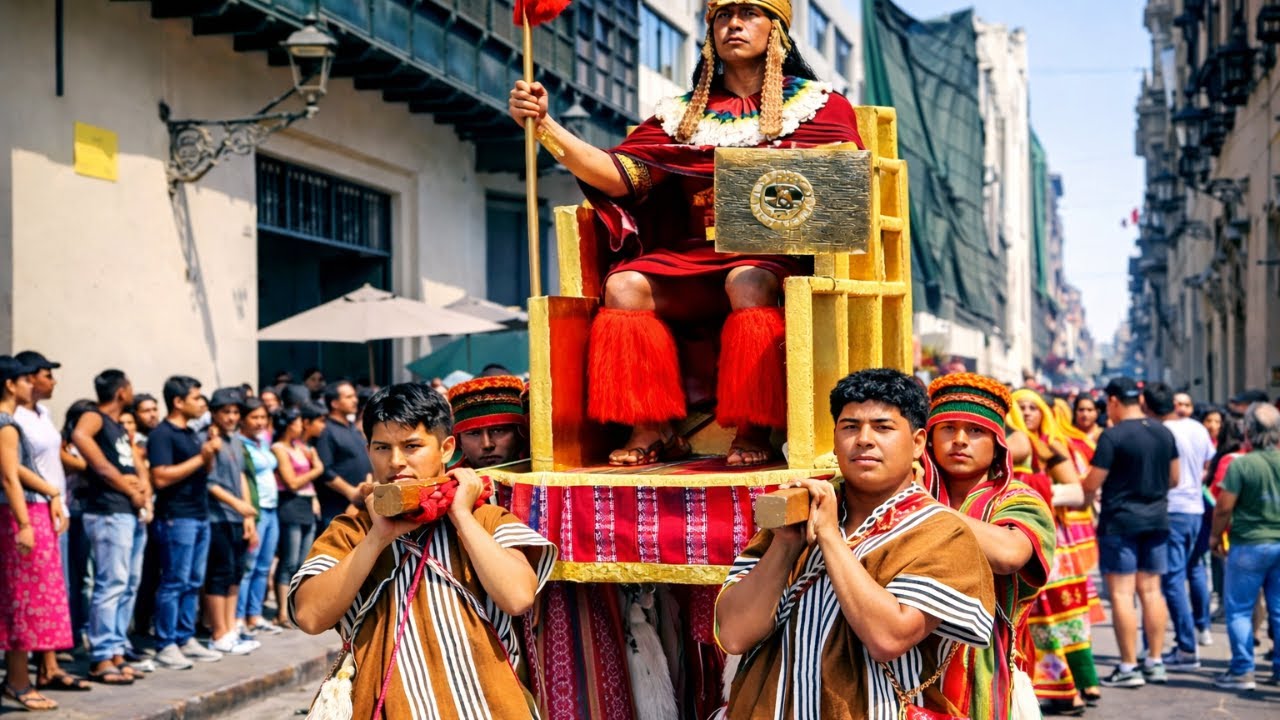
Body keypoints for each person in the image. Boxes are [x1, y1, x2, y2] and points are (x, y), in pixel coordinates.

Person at [508, 0, 864, 468]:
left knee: (747, 280)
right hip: (692, 256)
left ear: (777, 29)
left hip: (772, 257)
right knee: (624, 286)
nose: (733, 24)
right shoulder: (679, 115)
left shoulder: (821, 105)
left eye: (749, 13)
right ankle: (650, 425)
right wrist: (546, 127)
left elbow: (844, 189)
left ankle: (753, 425)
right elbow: (619, 176)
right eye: (723, 15)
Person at [715, 368, 995, 719]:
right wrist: (784, 546)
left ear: (918, 443)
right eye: (850, 427)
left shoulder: (942, 532)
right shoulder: (798, 512)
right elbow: (735, 635)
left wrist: (830, 537)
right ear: (834, 441)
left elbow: (888, 638)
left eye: (883, 427)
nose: (864, 439)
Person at [290, 383, 556, 717]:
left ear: (446, 449)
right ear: (368, 450)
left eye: (412, 446)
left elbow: (517, 597)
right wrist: (377, 538)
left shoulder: (484, 518)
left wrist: (461, 516)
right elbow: (310, 617)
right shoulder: (354, 529)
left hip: (487, 706)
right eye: (382, 448)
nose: (396, 462)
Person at [924, 373, 1055, 720]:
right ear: (928, 438)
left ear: (998, 442)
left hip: (983, 664)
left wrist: (922, 508)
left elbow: (1008, 555)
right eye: (948, 428)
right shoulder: (914, 489)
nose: (960, 440)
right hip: (905, 661)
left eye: (975, 430)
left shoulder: (1020, 500)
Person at [1007, 390, 1102, 710]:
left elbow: (1077, 492)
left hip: (1050, 540)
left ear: (1044, 412)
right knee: (1037, 615)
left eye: (1033, 407)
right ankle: (1064, 690)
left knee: (1059, 615)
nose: (1027, 412)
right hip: (1016, 535)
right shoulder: (1005, 443)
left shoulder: (1050, 445)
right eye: (1021, 407)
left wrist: (1032, 494)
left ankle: (1076, 686)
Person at [1083, 376, 1178, 688]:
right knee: (1152, 591)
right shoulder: (1164, 432)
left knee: (1123, 594)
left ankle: (1128, 666)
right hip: (1157, 519)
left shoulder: (1113, 436)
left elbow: (1092, 482)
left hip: (1120, 522)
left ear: (1113, 401)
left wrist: (1084, 493)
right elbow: (1174, 479)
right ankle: (1155, 661)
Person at [11, 351, 90, 692]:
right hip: (29, 507)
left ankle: (49, 665)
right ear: (25, 379)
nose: (52, 381)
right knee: (30, 592)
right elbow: (12, 469)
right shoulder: (12, 418)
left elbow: (52, 457)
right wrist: (47, 494)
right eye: (46, 375)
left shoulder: (43, 414)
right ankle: (25, 673)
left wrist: (76, 468)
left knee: (54, 591)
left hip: (53, 509)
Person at [0, 356, 73, 711]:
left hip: (28, 509)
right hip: (18, 515)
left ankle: (18, 680)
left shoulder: (9, 422)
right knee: (23, 600)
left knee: (23, 600)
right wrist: (26, 524)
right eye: (26, 380)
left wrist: (51, 491)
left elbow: (16, 468)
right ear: (10, 384)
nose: (32, 385)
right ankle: (17, 682)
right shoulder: (5, 424)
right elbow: (8, 477)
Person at [71, 369, 150, 684]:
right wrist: (121, 483)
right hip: (108, 511)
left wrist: (141, 490)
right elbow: (80, 437)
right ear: (121, 391)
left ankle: (117, 651)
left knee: (128, 583)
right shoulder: (95, 417)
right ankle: (101, 657)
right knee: (110, 584)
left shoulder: (118, 427)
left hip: (128, 511)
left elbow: (134, 462)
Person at [147, 375, 223, 669]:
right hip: (176, 517)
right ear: (178, 402)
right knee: (174, 581)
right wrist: (202, 456)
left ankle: (184, 636)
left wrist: (209, 451)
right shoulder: (162, 434)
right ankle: (165, 643)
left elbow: (205, 470)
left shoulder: (192, 433)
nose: (201, 403)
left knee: (193, 581)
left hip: (199, 514)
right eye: (196, 398)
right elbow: (160, 477)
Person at [1209, 402, 1280, 689]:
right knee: (1278, 609)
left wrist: (1215, 536)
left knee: (1239, 609)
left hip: (1249, 544)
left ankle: (1242, 670)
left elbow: (1224, 507)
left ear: (1248, 431)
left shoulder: (1242, 465)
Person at [1154, 383, 1215, 668]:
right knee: (1194, 569)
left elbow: (1169, 475)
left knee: (1173, 580)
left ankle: (1187, 647)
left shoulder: (1165, 431)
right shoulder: (1199, 429)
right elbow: (1207, 463)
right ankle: (1201, 628)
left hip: (1175, 508)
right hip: (1194, 509)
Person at [201, 389, 259, 656]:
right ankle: (218, 632)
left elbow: (243, 477)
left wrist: (247, 514)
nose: (232, 417)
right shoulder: (208, 439)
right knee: (219, 574)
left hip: (237, 517)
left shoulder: (235, 440)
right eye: (226, 412)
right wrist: (237, 505)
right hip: (217, 516)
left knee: (236, 573)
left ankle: (231, 628)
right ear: (214, 413)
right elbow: (209, 482)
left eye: (236, 412)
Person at [271, 405, 325, 631]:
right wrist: (316, 470)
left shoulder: (299, 447)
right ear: (287, 425)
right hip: (290, 505)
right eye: (296, 422)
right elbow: (292, 482)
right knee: (289, 561)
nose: (300, 426)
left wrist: (314, 498)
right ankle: (282, 612)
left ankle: (296, 608)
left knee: (303, 561)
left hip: (306, 504)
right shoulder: (279, 448)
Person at [314, 381, 372, 527]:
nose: (355, 400)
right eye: (349, 397)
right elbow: (325, 470)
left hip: (360, 505)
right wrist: (350, 492)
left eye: (355, 396)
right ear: (334, 403)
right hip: (337, 509)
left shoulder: (353, 428)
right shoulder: (327, 431)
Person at [446, 376, 529, 468]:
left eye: (498, 431)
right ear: (459, 441)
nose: (487, 445)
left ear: (519, 433)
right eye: (474, 433)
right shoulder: (449, 477)